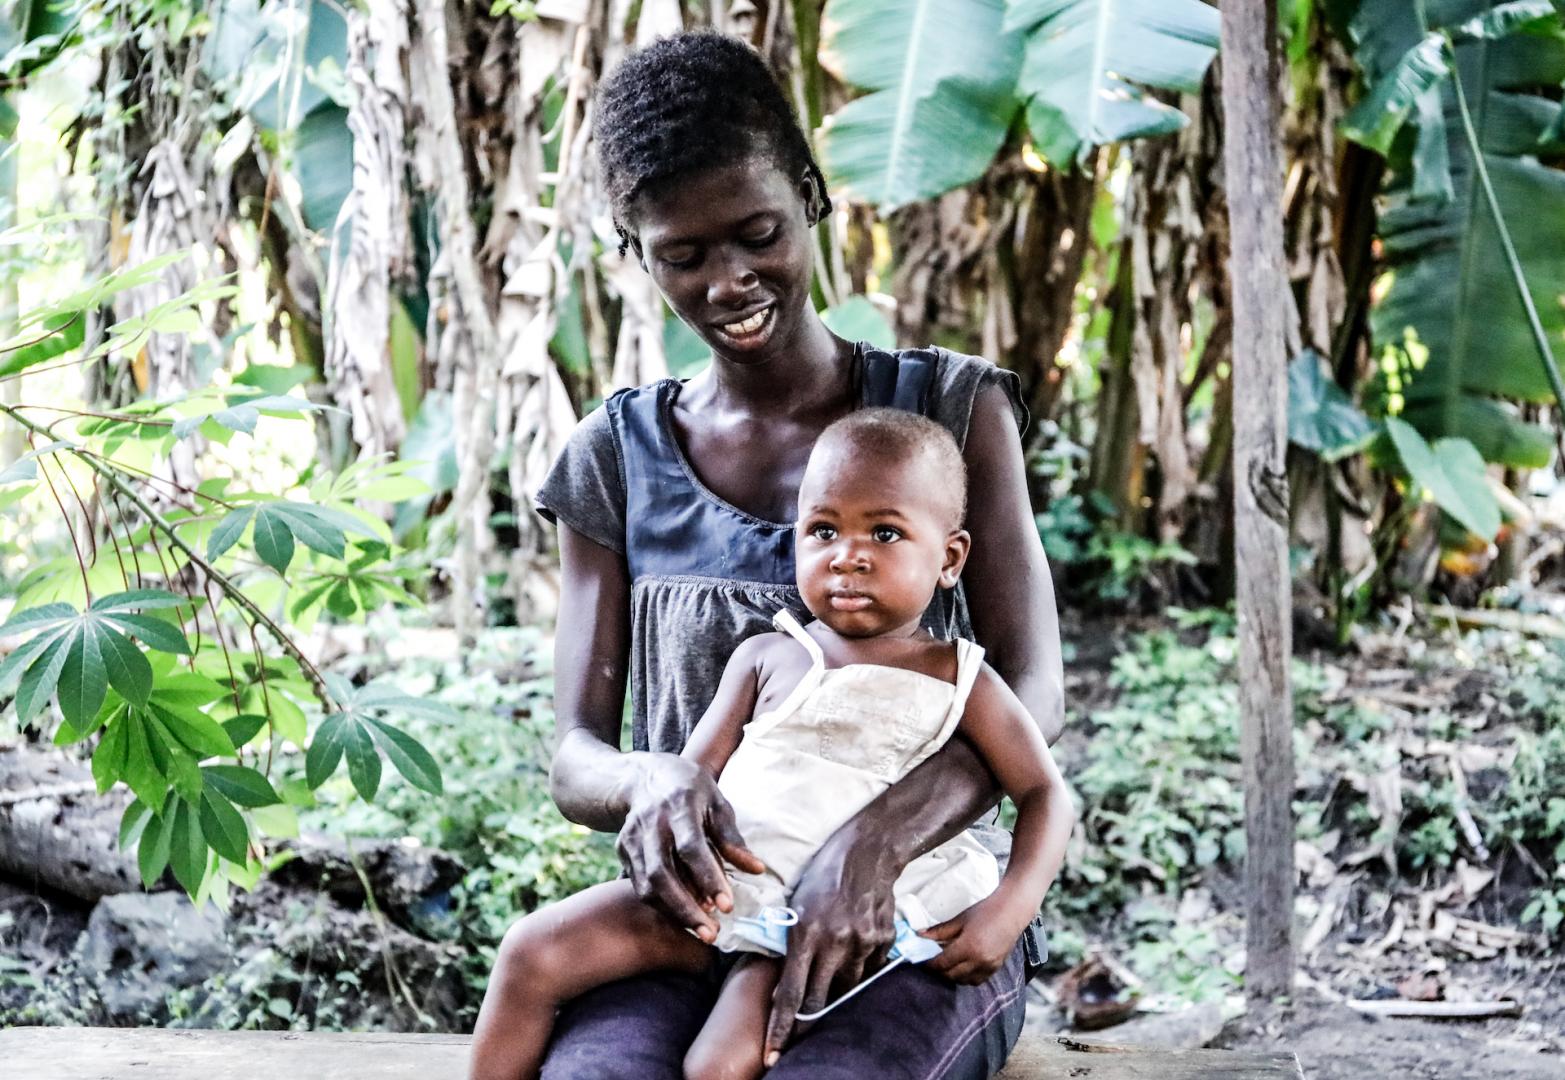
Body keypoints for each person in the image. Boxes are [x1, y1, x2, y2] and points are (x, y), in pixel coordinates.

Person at [518, 29, 1064, 1080]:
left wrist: (872, 843)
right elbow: (573, 754)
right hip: (704, 915)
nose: (728, 280)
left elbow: (1029, 692)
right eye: (682, 254)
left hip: (911, 922)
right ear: (638, 255)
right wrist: (651, 782)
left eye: (757, 232)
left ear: (809, 195)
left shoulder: (949, 413)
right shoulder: (615, 455)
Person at [471, 411, 1073, 1080]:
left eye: (884, 532)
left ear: (949, 558)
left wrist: (1008, 910)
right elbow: (690, 781)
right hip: (714, 898)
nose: (847, 554)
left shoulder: (961, 677)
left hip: (830, 925)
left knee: (716, 1066)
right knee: (532, 949)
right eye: (823, 530)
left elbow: (1044, 794)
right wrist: (663, 809)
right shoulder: (766, 657)